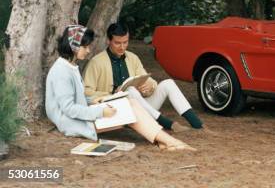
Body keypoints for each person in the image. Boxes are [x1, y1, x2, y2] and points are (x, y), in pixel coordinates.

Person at [45, 24, 195, 151]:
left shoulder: (70, 66)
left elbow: (80, 98)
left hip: (87, 113)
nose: (89, 50)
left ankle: (164, 141)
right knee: (129, 107)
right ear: (73, 47)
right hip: (75, 122)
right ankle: (168, 141)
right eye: (85, 47)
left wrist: (97, 99)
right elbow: (68, 109)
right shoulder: (62, 71)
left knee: (131, 104)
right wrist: (100, 110)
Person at [83, 22, 202, 131]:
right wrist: (113, 93)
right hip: (115, 111)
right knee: (130, 90)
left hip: (141, 109)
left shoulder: (133, 58)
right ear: (109, 41)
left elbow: (150, 81)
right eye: (117, 43)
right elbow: (86, 92)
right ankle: (166, 123)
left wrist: (148, 87)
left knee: (168, 83)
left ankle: (197, 123)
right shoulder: (96, 62)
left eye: (125, 42)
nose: (122, 47)